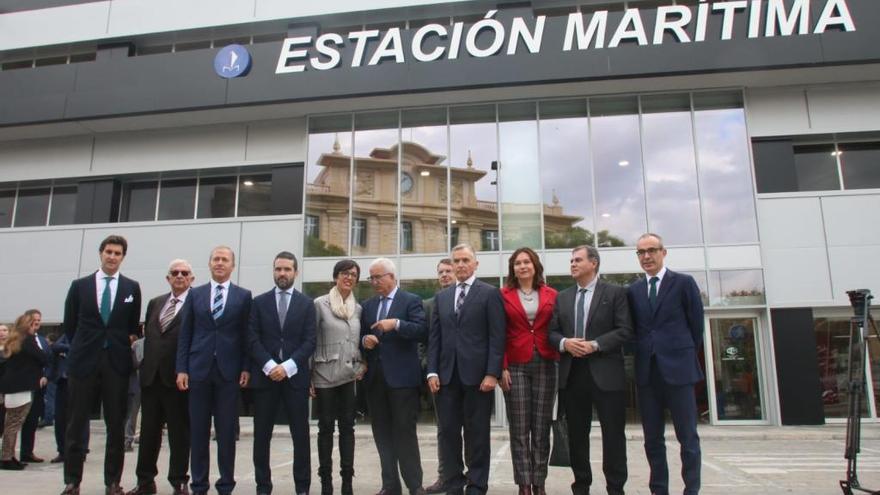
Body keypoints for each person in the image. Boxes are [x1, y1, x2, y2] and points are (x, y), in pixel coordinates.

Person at [548, 246, 634, 495]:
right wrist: (565, 343)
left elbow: (625, 330)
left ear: (593, 263)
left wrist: (595, 345)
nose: (572, 264)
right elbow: (551, 333)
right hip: (572, 376)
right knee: (576, 436)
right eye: (571, 260)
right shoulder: (562, 297)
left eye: (577, 260)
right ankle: (581, 486)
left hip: (607, 374)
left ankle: (616, 488)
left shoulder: (616, 293)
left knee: (614, 436)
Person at [61, 235, 143, 495]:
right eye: (108, 251)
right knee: (76, 422)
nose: (112, 257)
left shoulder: (131, 288)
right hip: (84, 361)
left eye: (117, 253)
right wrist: (86, 346)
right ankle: (72, 481)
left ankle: (112, 482)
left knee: (116, 425)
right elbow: (70, 325)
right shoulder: (80, 286)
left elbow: (131, 327)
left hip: (116, 364)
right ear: (100, 253)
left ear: (123, 257)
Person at [627, 233, 704, 495]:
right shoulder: (633, 290)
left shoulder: (683, 283)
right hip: (648, 374)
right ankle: (658, 489)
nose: (646, 256)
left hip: (679, 372)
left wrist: (681, 355)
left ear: (664, 252)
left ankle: (691, 490)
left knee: (688, 438)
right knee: (652, 440)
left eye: (651, 250)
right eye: (641, 252)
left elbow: (696, 328)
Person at [427, 243, 505, 495]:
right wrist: (432, 371)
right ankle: (452, 483)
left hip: (479, 379)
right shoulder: (442, 297)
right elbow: (434, 338)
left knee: (477, 435)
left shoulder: (490, 293)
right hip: (446, 378)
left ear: (475, 264)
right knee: (448, 434)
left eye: (465, 260)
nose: (460, 265)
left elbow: (497, 337)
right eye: (456, 260)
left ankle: (476, 485)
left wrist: (492, 373)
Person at [176, 246, 252, 495]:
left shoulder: (243, 296)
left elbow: (246, 336)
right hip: (198, 371)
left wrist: (245, 367)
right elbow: (185, 334)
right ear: (209, 264)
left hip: (229, 373)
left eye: (225, 260)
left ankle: (226, 484)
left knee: (226, 433)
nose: (220, 263)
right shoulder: (194, 295)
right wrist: (182, 369)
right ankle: (199, 485)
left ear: (233, 266)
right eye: (216, 259)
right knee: (198, 431)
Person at [248, 251, 316, 495]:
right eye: (278, 269)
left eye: (287, 269)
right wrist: (269, 366)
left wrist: (286, 367)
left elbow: (310, 341)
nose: (282, 273)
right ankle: (263, 487)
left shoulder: (307, 304)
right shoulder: (258, 302)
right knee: (261, 437)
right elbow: (252, 338)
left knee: (301, 436)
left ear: (296, 272)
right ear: (274, 271)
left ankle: (302, 488)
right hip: (265, 379)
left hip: (295, 379)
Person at [125, 259, 194, 495]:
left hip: (178, 380)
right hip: (151, 378)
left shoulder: (196, 303)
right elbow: (150, 338)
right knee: (148, 434)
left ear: (192, 279)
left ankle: (179, 481)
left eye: (185, 273)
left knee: (179, 434)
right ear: (168, 278)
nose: (179, 276)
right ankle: (145, 481)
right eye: (175, 272)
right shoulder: (156, 303)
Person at [360, 257, 428, 495]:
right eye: (371, 277)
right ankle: (390, 485)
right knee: (381, 434)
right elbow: (361, 337)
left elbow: (421, 331)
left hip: (403, 381)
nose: (374, 281)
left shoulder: (411, 300)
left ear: (392, 277)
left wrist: (396, 324)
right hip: (376, 380)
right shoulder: (367, 305)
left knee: (404, 433)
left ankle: (414, 485)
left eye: (378, 276)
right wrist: (365, 341)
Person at [498, 248, 559, 495]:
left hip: (546, 363)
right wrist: (500, 367)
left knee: (541, 427)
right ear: (513, 268)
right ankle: (524, 484)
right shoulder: (502, 295)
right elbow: (497, 333)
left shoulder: (552, 294)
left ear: (535, 266)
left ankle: (539, 483)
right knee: (520, 428)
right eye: (517, 263)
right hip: (515, 366)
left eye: (527, 262)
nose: (522, 266)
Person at [312, 259, 367, 495]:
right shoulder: (319, 304)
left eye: (353, 274)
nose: (349, 277)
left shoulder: (358, 308)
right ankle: (326, 482)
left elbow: (360, 341)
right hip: (324, 375)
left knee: (348, 428)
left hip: (348, 376)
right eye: (344, 273)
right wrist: (308, 377)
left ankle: (347, 482)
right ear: (336, 276)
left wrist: (363, 363)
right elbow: (310, 340)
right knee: (325, 428)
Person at [0, 313, 49, 470]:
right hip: (21, 386)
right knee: (14, 423)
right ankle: (7, 458)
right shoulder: (27, 340)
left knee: (11, 424)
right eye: (33, 323)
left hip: (11, 386)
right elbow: (42, 357)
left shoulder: (15, 339)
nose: (35, 326)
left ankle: (8, 456)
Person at [424, 259, 455, 494]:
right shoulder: (429, 305)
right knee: (445, 430)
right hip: (440, 378)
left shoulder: (470, 300)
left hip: (468, 374)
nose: (445, 275)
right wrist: (428, 367)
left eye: (449, 271)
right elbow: (423, 343)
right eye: (441, 272)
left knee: (472, 430)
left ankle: (471, 478)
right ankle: (446, 477)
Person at [49, 333, 91, 464]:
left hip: (80, 382)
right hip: (63, 382)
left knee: (81, 418)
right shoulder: (67, 335)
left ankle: (81, 450)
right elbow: (54, 347)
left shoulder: (88, 335)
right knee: (60, 418)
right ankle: (62, 451)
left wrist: (65, 350)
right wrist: (71, 348)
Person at [19, 308, 51, 464]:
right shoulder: (24, 338)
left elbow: (48, 359)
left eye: (39, 319)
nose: (37, 321)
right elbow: (41, 357)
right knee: (19, 420)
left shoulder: (43, 340)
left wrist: (46, 375)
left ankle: (27, 452)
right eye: (34, 319)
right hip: (25, 384)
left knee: (32, 420)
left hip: (39, 385)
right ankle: (15, 453)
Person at [124, 334, 144, 452]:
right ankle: (128, 439)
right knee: (133, 413)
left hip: (136, 383)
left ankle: (128, 439)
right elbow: (135, 364)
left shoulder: (136, 345)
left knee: (132, 413)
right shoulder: (138, 345)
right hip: (137, 383)